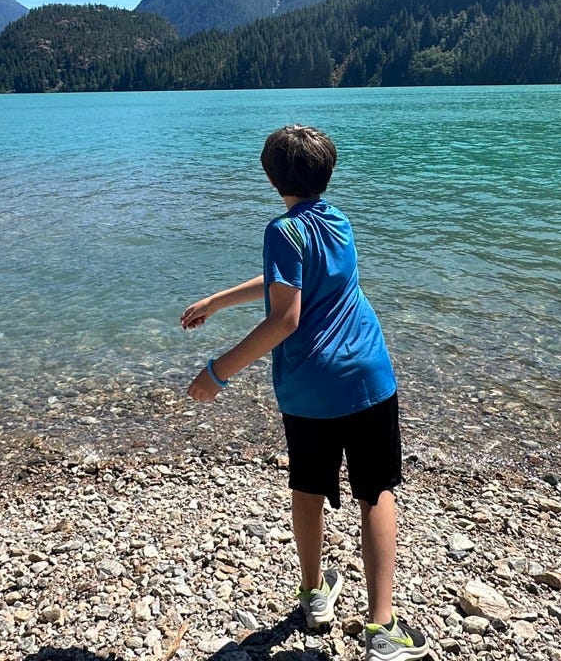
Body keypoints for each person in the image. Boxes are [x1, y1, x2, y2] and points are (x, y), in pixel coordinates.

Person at [182, 124, 430, 661]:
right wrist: (218, 301)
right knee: (376, 491)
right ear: (328, 173)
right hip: (368, 378)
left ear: (272, 178)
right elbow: (293, 281)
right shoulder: (339, 223)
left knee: (308, 488)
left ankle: (315, 596)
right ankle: (382, 629)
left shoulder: (281, 231)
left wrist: (219, 371)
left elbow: (286, 316)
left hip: (309, 390)